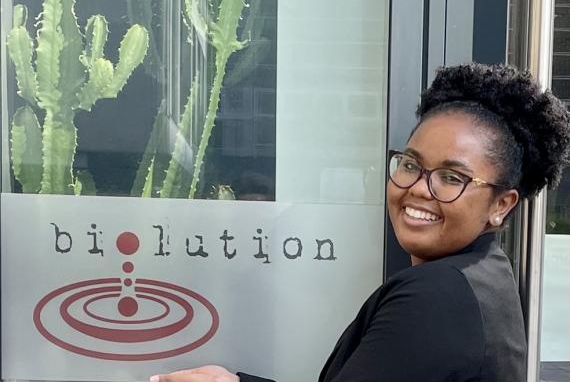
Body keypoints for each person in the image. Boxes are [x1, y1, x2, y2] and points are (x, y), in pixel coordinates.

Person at [150, 63, 570, 382]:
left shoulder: (438, 296)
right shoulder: (481, 279)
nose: (420, 189)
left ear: (501, 204)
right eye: (411, 164)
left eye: (451, 177)